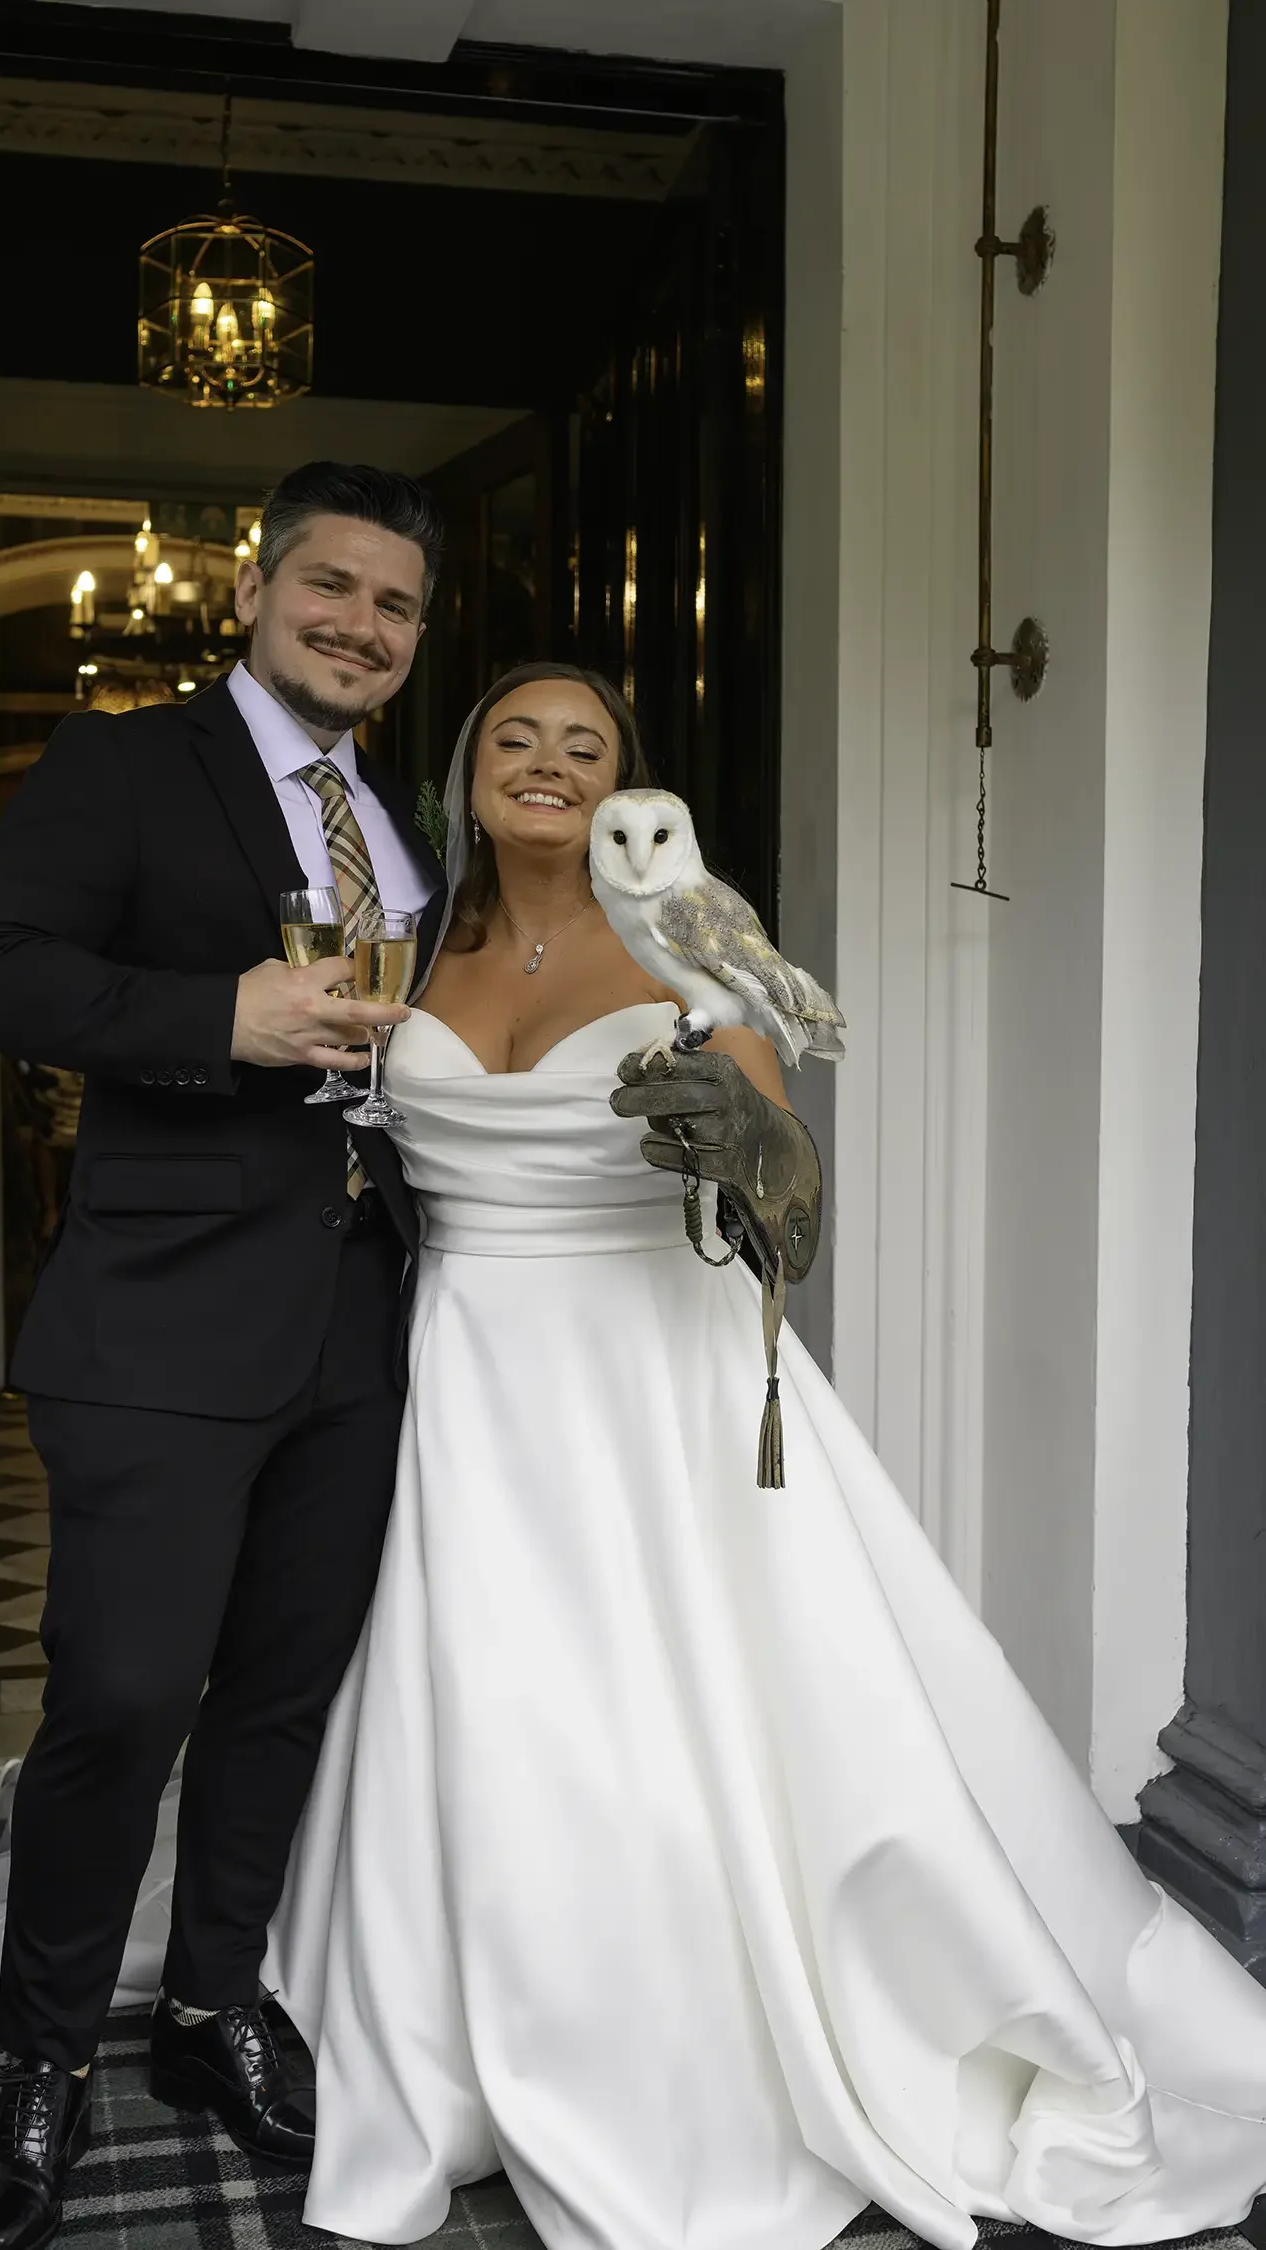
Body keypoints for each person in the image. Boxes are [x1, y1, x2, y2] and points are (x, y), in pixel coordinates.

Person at [255, 662, 1266, 2250]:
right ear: (460, 776)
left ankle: (706, 2050)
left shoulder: (684, 941)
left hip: (663, 1382)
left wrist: (749, 1148)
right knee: (497, 1700)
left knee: (699, 1716)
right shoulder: (404, 946)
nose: (547, 765)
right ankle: (471, 2020)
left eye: (584, 748)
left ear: (628, 792)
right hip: (471, 1389)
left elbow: (794, 1207)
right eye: (513, 739)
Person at [0, 461, 447, 2250]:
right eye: (331, 586)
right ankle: (49, 2060)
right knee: (128, 1697)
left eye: (394, 605)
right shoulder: (126, 767)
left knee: (283, 1697)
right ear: (255, 586)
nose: (360, 625)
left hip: (362, 1324)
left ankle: (213, 2007)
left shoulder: (408, 833)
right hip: (156, 1322)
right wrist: (216, 1016)